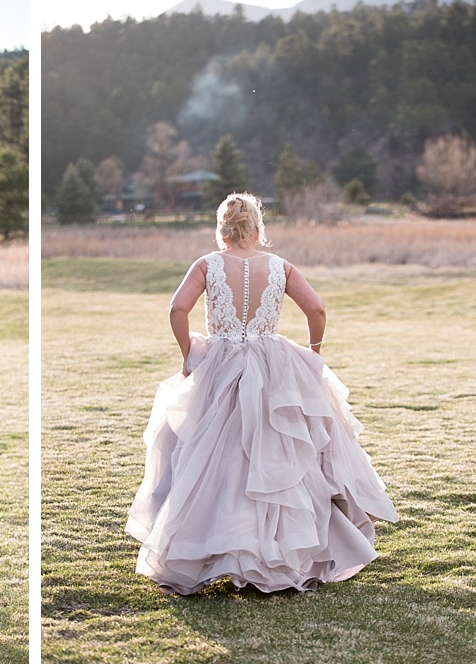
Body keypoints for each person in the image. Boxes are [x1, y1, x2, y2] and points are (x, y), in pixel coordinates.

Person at [127, 193, 399, 595]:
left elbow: (177, 309)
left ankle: (209, 549)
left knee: (210, 454)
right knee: (280, 455)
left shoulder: (207, 265)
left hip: (220, 362)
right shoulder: (281, 267)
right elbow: (317, 310)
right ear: (258, 229)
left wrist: (189, 356)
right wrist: (314, 351)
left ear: (222, 229)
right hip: (273, 363)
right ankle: (282, 551)